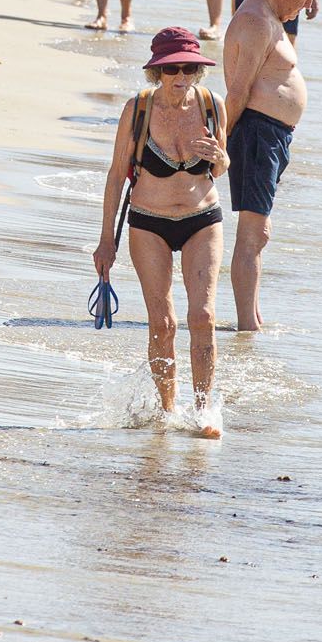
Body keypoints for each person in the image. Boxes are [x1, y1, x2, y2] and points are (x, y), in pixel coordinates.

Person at [93, 28, 229, 431]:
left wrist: (221, 158)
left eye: (189, 68)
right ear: (157, 72)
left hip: (202, 219)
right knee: (163, 322)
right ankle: (169, 413)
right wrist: (105, 242)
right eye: (173, 69)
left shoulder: (211, 105)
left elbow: (221, 170)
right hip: (148, 221)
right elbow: (117, 176)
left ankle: (204, 412)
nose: (182, 77)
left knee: (202, 316)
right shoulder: (138, 109)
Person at [222, 0, 322, 331]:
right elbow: (238, 91)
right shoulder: (255, 21)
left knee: (258, 234)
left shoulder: (271, 15)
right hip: (256, 134)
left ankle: (253, 316)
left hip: (271, 134)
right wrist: (220, 147)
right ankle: (247, 325)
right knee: (252, 233)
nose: (308, 5)